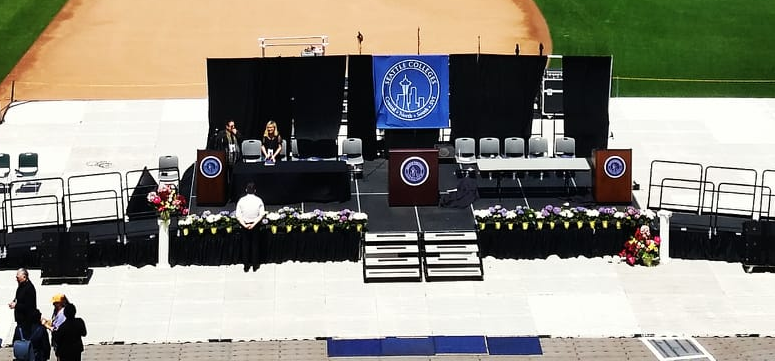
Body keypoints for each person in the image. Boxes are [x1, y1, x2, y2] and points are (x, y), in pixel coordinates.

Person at [236, 182, 265, 272]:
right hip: (255, 226)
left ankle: (246, 265)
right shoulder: (259, 200)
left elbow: (238, 215)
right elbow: (261, 214)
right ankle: (255, 265)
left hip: (245, 225)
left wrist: (244, 225)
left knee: (245, 245)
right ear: (255, 191)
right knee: (255, 245)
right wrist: (253, 224)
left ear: (246, 190)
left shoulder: (241, 200)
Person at [9, 268, 37, 342]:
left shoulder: (29, 288)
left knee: (24, 342)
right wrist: (13, 302)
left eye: (18, 277)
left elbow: (29, 306)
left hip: (27, 321)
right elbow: (19, 298)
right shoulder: (21, 286)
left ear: (24, 277)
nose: (16, 279)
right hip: (20, 320)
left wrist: (16, 305)